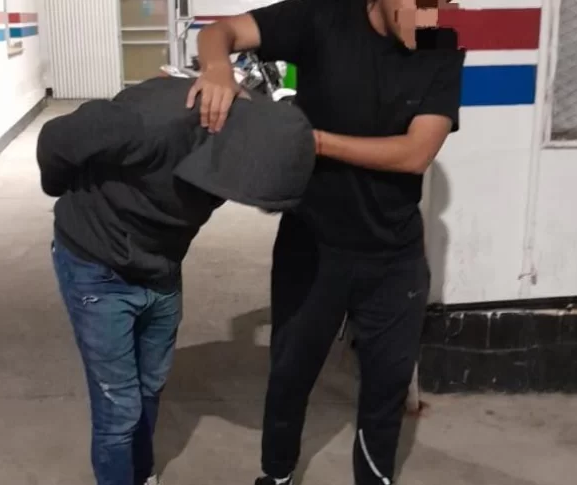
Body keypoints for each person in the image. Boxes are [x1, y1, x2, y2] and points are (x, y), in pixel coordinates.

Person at [188, 1, 465, 484]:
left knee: (385, 393)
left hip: (393, 258)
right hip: (312, 247)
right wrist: (217, 69)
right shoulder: (323, 17)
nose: (431, 13)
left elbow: (415, 153)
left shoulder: (440, 47)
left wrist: (311, 141)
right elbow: (221, 32)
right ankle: (276, 475)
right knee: (289, 378)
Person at [37, 77, 315, 485]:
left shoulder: (245, 140)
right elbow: (54, 141)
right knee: (119, 409)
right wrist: (75, 202)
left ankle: (141, 473)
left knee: (150, 385)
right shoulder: (151, 124)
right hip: (96, 267)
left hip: (162, 266)